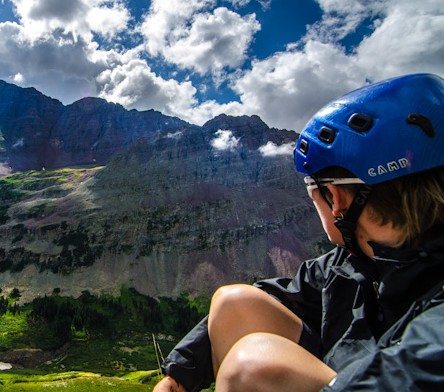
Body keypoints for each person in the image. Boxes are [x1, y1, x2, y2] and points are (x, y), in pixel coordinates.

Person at [153, 73, 444, 392]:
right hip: (347, 370)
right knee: (233, 301)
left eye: (312, 190)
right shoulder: (355, 261)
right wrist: (179, 375)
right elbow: (283, 295)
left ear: (337, 198)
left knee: (251, 369)